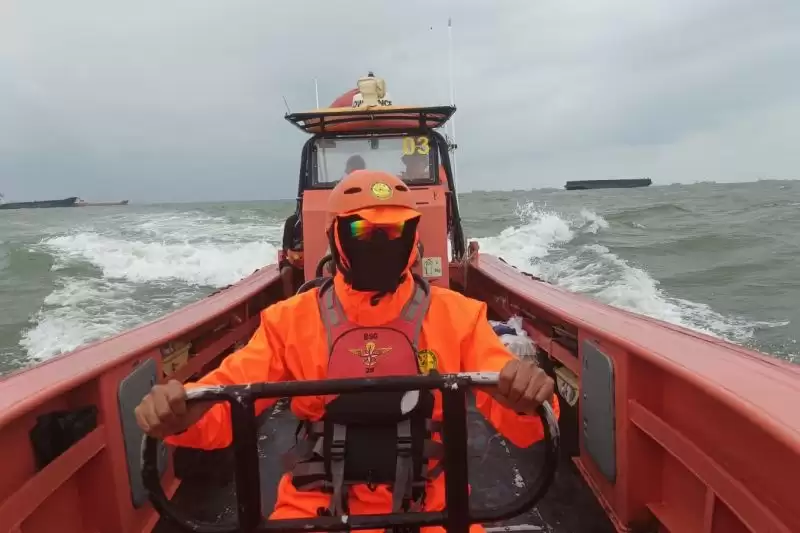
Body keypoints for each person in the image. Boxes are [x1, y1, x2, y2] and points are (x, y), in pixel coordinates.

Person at [134, 170, 558, 533]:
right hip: (314, 506)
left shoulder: (460, 316)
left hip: (433, 506)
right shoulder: (288, 321)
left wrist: (526, 397)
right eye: (360, 231)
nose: (379, 242)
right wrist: (181, 413)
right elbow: (226, 398)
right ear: (335, 237)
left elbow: (523, 415)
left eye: (394, 231)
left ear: (413, 237)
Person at [280, 210, 304, 297]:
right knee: (286, 272)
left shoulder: (316, 220)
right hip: (294, 257)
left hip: (312, 258)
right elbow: (285, 246)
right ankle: (290, 301)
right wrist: (292, 256)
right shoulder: (291, 221)